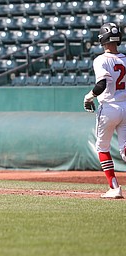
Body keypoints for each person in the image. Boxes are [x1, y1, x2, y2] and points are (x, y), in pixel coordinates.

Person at [83, 22, 126, 199]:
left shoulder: (100, 60)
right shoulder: (125, 58)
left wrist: (88, 96)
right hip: (125, 106)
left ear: (102, 39)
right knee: (124, 149)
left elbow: (101, 84)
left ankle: (114, 187)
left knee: (102, 147)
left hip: (109, 107)